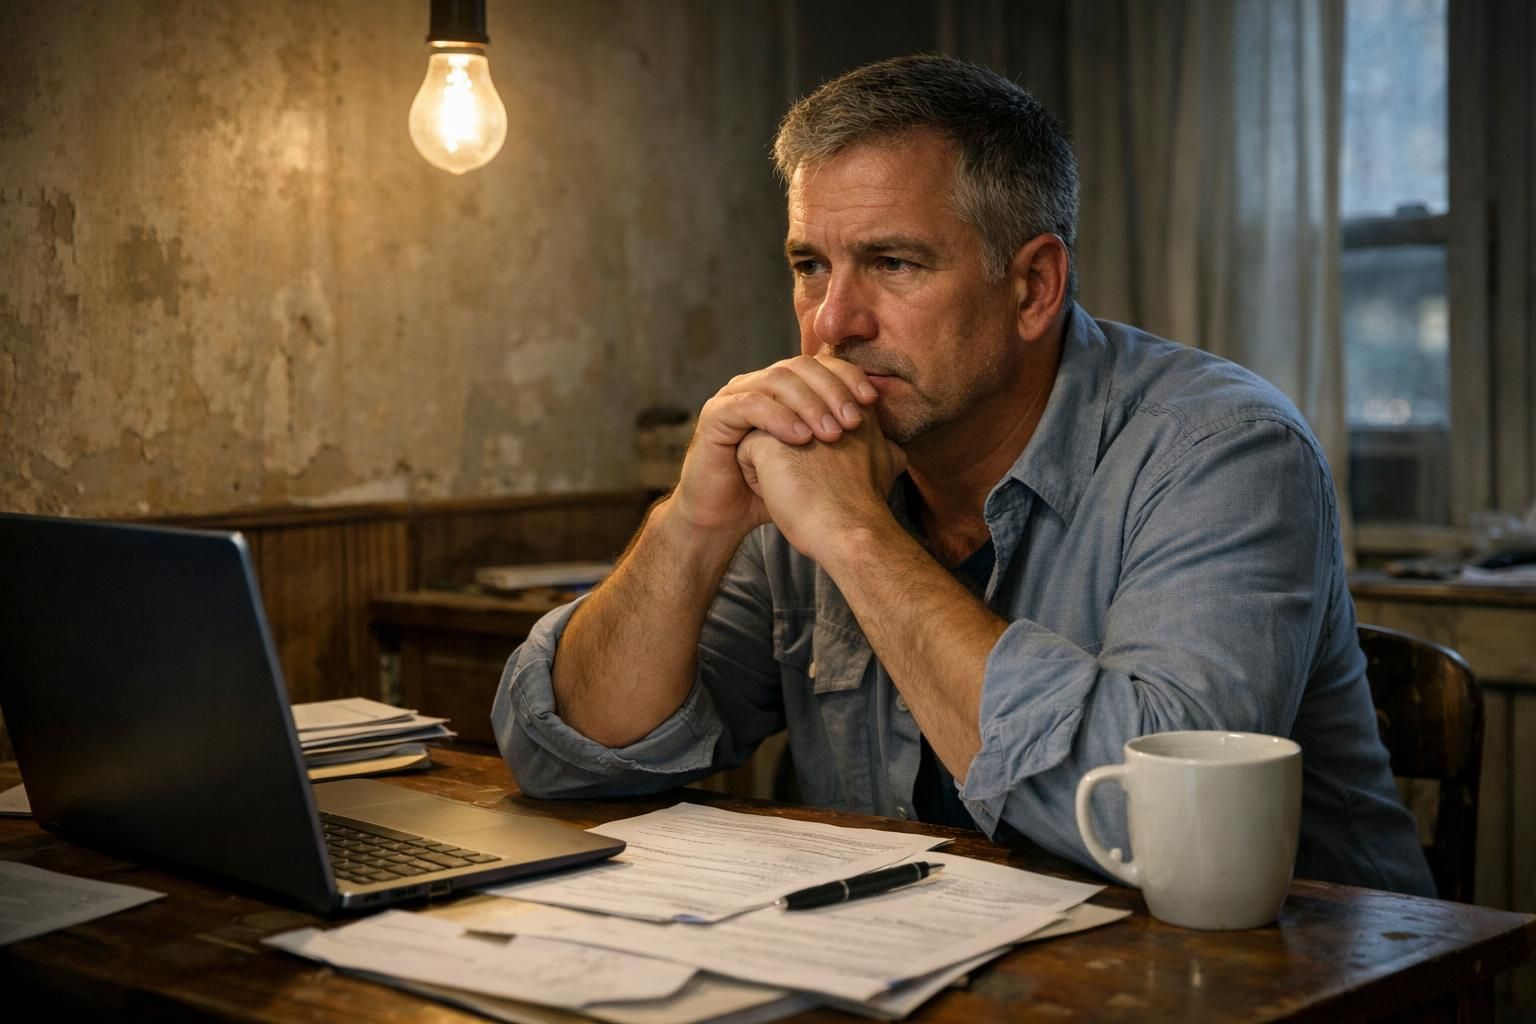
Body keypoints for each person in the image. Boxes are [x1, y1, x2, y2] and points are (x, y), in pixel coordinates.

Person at [492, 54, 1434, 896]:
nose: (831, 323)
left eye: (892, 263)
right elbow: (567, 756)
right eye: (811, 265)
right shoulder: (817, 453)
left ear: (1032, 288)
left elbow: (1152, 827)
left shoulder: (1223, 450)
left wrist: (859, 537)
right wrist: (691, 523)